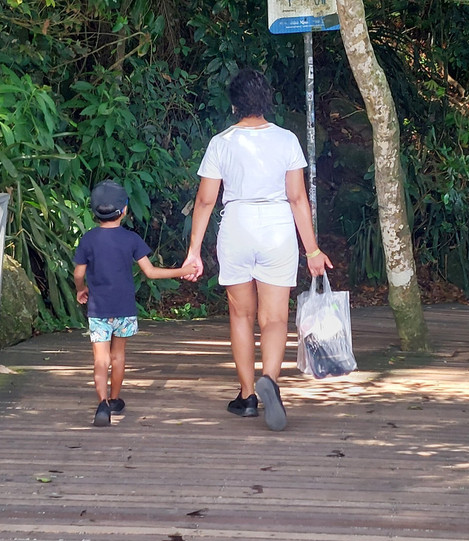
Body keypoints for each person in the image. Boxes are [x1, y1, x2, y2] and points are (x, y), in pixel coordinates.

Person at [183, 68, 332, 432]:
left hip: (237, 226)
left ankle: (248, 396)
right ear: (267, 101)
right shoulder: (286, 140)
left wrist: (194, 251)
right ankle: (271, 382)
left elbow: (205, 201)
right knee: (275, 318)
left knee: (241, 315)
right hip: (277, 230)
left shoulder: (221, 142)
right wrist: (312, 250)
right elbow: (297, 198)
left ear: (234, 104)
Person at [74, 180, 193, 427]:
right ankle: (115, 399)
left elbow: (78, 273)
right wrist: (182, 271)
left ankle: (102, 403)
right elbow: (150, 272)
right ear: (125, 210)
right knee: (118, 355)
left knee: (101, 358)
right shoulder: (131, 239)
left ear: (94, 211)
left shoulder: (88, 239)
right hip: (124, 309)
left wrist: (80, 288)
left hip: (98, 310)